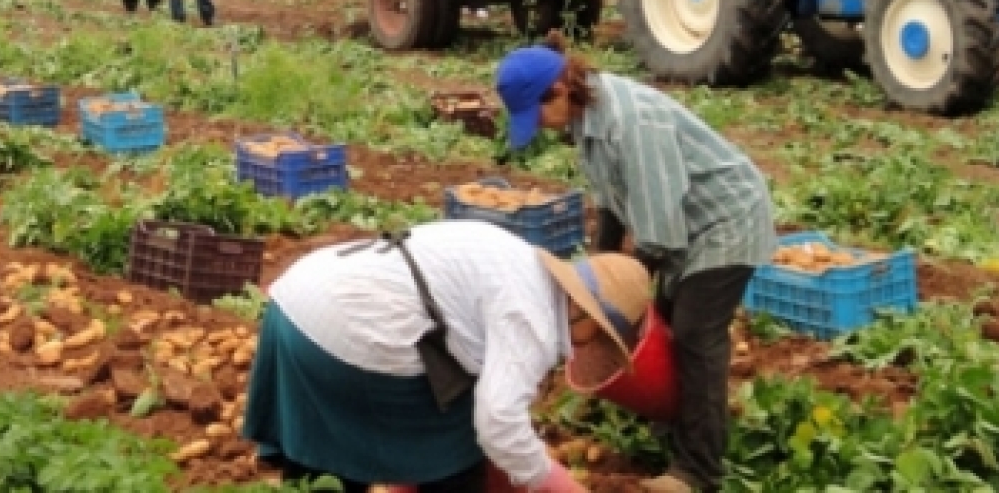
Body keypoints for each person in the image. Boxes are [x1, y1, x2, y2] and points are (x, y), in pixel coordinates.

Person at [493, 32, 778, 493]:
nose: (541, 126)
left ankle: (699, 471)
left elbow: (659, 232)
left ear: (561, 90)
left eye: (538, 114)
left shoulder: (633, 124)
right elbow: (610, 210)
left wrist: (617, 295)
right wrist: (594, 281)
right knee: (660, 325)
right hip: (684, 226)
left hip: (725, 219)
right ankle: (678, 428)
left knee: (694, 334)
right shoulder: (587, 124)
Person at [241, 219, 653, 493]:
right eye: (594, 340)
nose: (582, 349)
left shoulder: (515, 256)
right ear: (588, 318)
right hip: (347, 333)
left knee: (321, 473)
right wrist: (552, 482)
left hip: (294, 304)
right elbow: (497, 425)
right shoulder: (533, 320)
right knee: (459, 448)